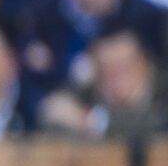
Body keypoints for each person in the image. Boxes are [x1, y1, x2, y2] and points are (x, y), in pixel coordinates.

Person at [16, 0, 168, 116]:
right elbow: (26, 82)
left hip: (138, 124)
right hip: (62, 125)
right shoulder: (39, 17)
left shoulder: (151, 19)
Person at [39, 26, 168, 137]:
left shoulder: (163, 89)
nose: (117, 78)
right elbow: (55, 109)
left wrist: (94, 121)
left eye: (125, 67)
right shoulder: (89, 90)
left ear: (145, 64)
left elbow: (155, 126)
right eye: (107, 70)